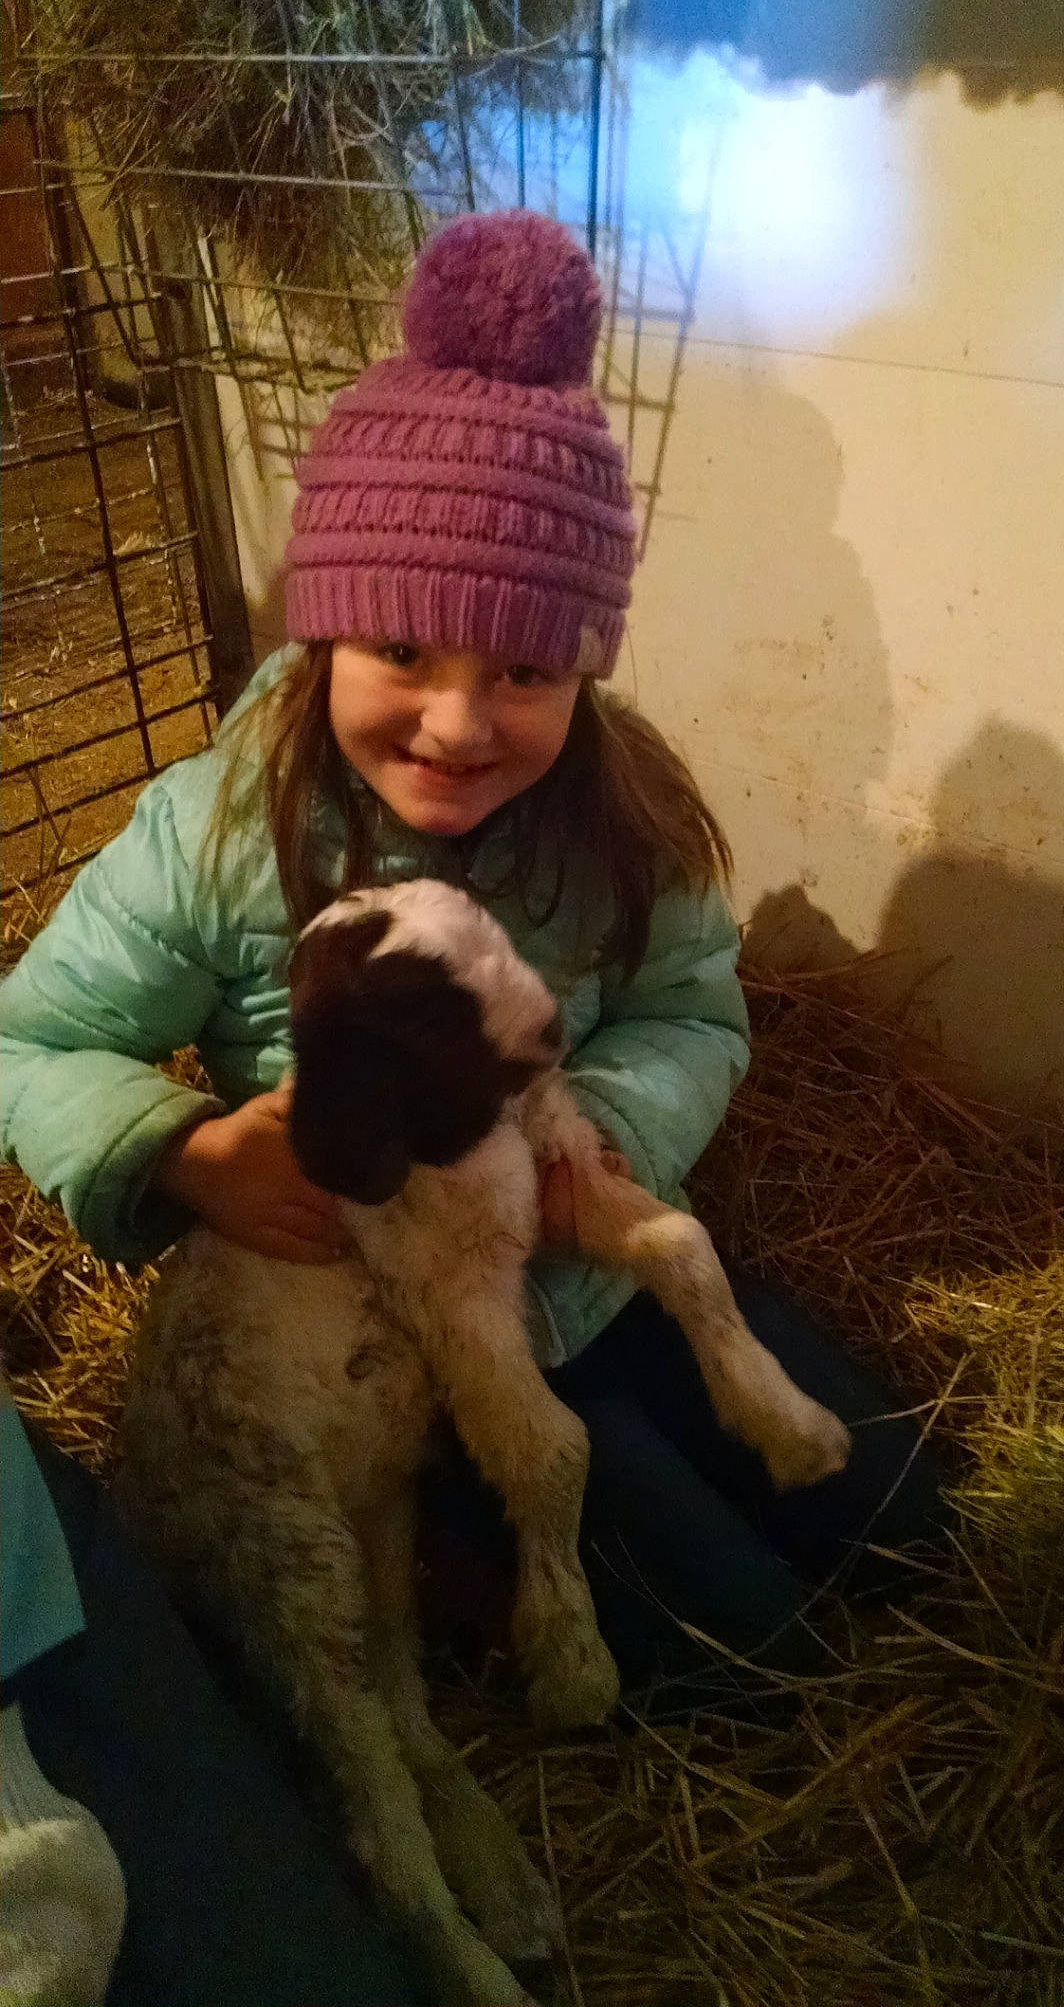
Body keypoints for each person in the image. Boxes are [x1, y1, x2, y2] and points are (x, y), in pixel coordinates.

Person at [0, 210, 944, 1992]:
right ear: (324, 628)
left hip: (575, 1250)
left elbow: (692, 1010)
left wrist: (625, 1141)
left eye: (521, 668)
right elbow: (26, 1042)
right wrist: (179, 1149)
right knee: (745, 1650)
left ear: (583, 663)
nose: (456, 719)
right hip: (402, 1308)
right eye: (405, 658)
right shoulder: (214, 832)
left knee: (897, 1521)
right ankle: (446, 1538)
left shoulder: (620, 822)